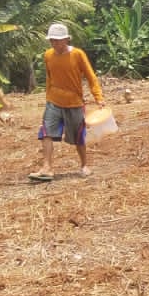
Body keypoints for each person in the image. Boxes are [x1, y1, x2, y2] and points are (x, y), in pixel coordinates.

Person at [31, 22, 104, 181]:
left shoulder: (78, 54)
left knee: (78, 137)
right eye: (52, 40)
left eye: (57, 40)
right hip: (53, 101)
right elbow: (49, 78)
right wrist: (48, 96)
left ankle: (84, 165)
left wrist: (98, 98)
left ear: (66, 39)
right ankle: (47, 168)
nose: (54, 43)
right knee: (46, 133)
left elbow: (91, 77)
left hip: (74, 102)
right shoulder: (48, 55)